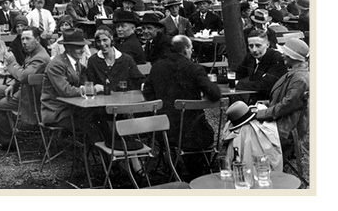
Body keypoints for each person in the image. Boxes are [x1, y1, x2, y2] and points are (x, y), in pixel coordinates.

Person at [142, 35, 221, 180]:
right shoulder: (194, 68)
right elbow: (215, 94)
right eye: (191, 49)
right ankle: (199, 176)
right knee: (202, 133)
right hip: (193, 131)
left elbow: (147, 92)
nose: (192, 52)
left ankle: (175, 170)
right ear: (185, 49)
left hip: (163, 129)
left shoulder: (157, 66)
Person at [254, 38, 309, 155]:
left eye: (286, 54)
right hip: (282, 121)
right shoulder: (295, 74)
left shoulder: (299, 79)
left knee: (247, 129)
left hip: (287, 128)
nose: (283, 55)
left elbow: (286, 106)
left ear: (293, 57)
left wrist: (260, 114)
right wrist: (264, 104)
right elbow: (284, 100)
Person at [41, 29, 103, 130]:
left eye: (82, 46)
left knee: (101, 119)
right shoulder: (56, 65)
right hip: (57, 113)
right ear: (67, 47)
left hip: (73, 109)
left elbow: (86, 79)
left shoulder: (76, 63)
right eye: (78, 47)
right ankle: (88, 146)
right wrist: (93, 89)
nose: (82, 50)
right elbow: (66, 91)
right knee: (92, 126)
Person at [235, 30, 287, 104]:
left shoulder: (276, 58)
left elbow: (264, 85)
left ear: (267, 45)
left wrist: (238, 84)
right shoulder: (250, 57)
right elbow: (239, 74)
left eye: (258, 45)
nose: (254, 50)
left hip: (273, 102)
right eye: (251, 46)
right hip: (256, 100)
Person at [86, 27, 144, 91]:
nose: (102, 44)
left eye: (105, 40)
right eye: (99, 41)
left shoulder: (126, 59)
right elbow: (90, 83)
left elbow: (138, 79)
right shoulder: (93, 60)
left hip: (123, 97)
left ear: (111, 39)